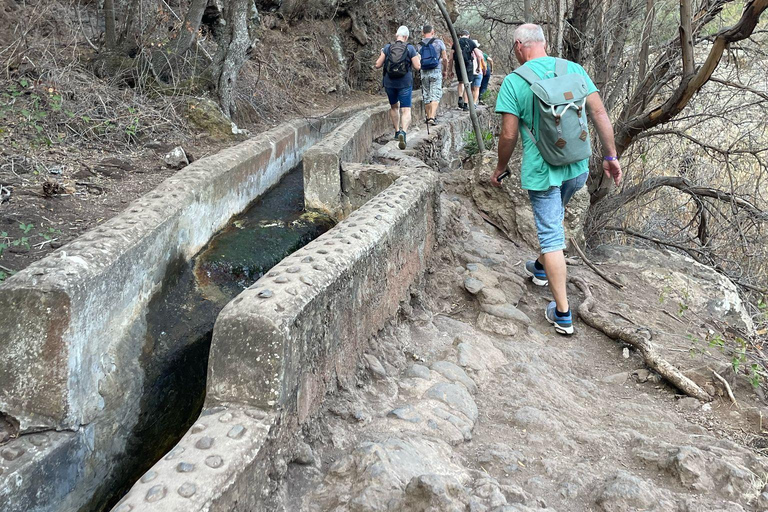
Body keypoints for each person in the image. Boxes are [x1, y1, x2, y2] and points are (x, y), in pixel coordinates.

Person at [490, 24, 622, 335]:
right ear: (544, 43)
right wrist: (610, 156)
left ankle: (562, 314)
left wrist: (500, 167)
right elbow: (600, 113)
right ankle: (539, 268)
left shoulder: (514, 81)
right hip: (576, 168)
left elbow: (509, 133)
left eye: (515, 48)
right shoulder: (573, 69)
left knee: (551, 237)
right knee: (553, 222)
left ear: (520, 46)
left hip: (543, 172)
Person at [375, 25, 421, 149]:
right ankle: (403, 133)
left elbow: (377, 64)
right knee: (406, 109)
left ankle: (396, 132)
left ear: (397, 36)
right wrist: (418, 59)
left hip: (390, 83)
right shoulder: (410, 48)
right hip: (404, 83)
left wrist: (382, 54)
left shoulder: (387, 47)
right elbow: (417, 67)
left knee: (394, 107)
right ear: (406, 37)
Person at [419, 24, 448, 126]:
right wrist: (445, 70)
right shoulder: (439, 42)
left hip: (424, 72)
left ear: (423, 32)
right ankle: (432, 117)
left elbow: (418, 61)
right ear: (433, 32)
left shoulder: (420, 44)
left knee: (426, 94)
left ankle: (428, 117)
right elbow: (445, 58)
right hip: (436, 70)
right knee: (435, 94)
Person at [448, 29, 477, 111]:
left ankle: (460, 97)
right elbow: (479, 55)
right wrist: (478, 67)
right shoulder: (471, 42)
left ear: (460, 35)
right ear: (468, 35)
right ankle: (465, 105)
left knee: (461, 82)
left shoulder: (456, 43)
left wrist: (450, 70)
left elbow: (450, 58)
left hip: (458, 64)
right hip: (468, 65)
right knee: (467, 83)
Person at [470, 40, 486, 107]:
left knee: (471, 88)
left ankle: (469, 103)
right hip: (479, 72)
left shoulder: (468, 52)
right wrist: (484, 70)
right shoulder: (479, 52)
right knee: (477, 88)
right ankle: (474, 103)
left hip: (470, 71)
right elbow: (483, 63)